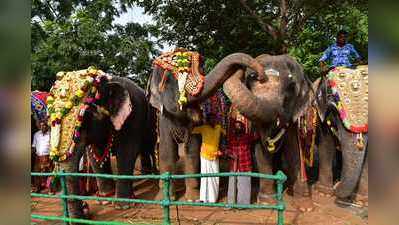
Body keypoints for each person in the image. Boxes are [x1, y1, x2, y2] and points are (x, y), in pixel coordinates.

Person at [192, 119, 226, 203]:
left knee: (214, 177)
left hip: (215, 156)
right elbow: (192, 130)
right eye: (210, 119)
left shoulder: (219, 128)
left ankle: (213, 199)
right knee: (205, 177)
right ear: (207, 121)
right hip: (204, 155)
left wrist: (222, 148)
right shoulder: (204, 128)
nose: (212, 121)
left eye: (213, 119)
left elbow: (225, 135)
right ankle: (203, 198)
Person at [226, 118, 258, 206]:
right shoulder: (231, 138)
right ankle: (231, 204)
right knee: (232, 185)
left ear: (243, 128)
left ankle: (243, 205)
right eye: (236, 126)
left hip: (245, 165)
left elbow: (256, 136)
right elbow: (227, 150)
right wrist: (231, 154)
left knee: (244, 185)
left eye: (239, 126)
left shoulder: (247, 137)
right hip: (234, 165)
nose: (237, 128)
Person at [31, 121, 52, 193]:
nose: (43, 127)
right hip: (38, 157)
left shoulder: (50, 134)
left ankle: (50, 189)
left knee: (49, 173)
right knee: (36, 172)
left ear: (47, 126)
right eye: (41, 126)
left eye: (44, 125)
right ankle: (37, 188)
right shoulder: (36, 134)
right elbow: (34, 146)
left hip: (47, 156)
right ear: (39, 127)